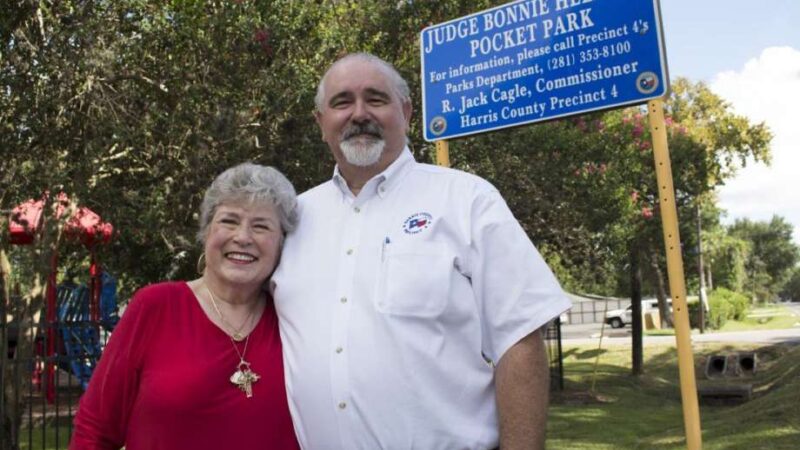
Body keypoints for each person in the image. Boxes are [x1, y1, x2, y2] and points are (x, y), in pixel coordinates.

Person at [272, 53, 572, 449]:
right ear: (320, 122)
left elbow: (520, 339)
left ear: (407, 112)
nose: (359, 113)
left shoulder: (467, 200)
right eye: (342, 101)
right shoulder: (293, 218)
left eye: (376, 99)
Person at [71, 163, 300, 450]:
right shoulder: (155, 307)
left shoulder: (294, 318)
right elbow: (94, 431)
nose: (242, 237)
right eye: (229, 221)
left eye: (261, 226)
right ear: (206, 233)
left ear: (281, 243)